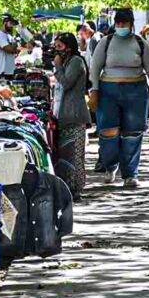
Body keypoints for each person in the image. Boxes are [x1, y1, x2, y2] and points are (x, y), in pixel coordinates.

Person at [88, 8, 149, 188]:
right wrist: (94, 91)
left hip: (136, 91)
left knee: (133, 133)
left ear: (131, 25)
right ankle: (110, 165)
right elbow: (95, 69)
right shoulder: (105, 42)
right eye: (118, 23)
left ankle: (130, 173)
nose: (121, 26)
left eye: (125, 23)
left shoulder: (140, 43)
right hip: (108, 91)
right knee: (108, 132)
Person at [53, 33, 91, 201]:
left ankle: (75, 187)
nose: (57, 51)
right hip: (65, 113)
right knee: (65, 153)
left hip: (74, 114)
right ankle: (67, 186)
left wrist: (58, 67)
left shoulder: (76, 61)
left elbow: (67, 82)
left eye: (60, 47)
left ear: (68, 46)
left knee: (74, 153)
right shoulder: (68, 61)